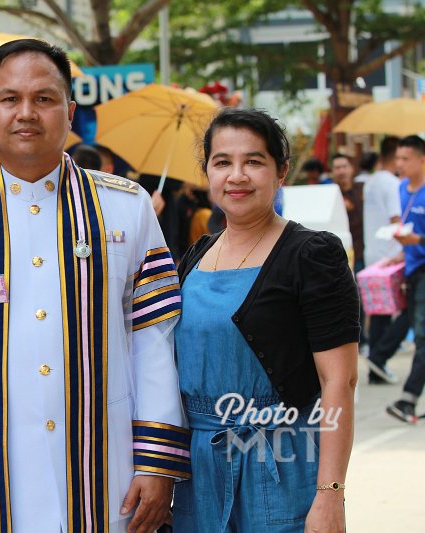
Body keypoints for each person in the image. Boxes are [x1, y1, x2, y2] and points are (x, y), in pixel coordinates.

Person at [0, 39, 190, 533]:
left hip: (106, 470)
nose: (27, 113)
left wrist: (155, 461)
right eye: (10, 99)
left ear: (69, 110)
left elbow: (154, 338)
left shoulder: (124, 208)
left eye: (44, 98)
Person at [174, 109, 359, 532]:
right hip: (199, 473)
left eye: (254, 161)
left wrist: (330, 495)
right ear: (208, 173)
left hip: (281, 467)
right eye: (223, 162)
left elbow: (339, 381)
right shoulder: (195, 256)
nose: (237, 175)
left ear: (281, 172)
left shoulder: (313, 255)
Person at [387, 135, 425, 424]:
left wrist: (418, 240)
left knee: (422, 336)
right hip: (411, 269)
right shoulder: (401, 189)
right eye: (397, 158)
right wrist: (401, 251)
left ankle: (408, 399)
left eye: (405, 159)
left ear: (421, 160)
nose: (399, 164)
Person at [363, 137, 406, 385]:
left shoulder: (371, 182)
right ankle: (379, 357)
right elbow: (395, 220)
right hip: (391, 255)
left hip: (374, 253)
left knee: (379, 312)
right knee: (404, 310)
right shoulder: (391, 184)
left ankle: (376, 364)